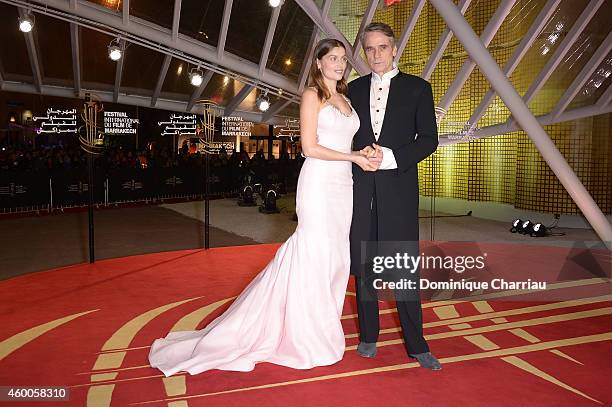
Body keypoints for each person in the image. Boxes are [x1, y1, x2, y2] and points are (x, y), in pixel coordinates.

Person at [148, 38, 375, 377]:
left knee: (337, 258)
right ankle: (306, 337)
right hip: (318, 184)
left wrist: (363, 151)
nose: (340, 64)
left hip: (344, 186)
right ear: (318, 63)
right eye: (332, 58)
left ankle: (324, 330)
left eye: (343, 58)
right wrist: (353, 157)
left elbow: (345, 139)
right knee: (314, 253)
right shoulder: (313, 95)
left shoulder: (346, 98)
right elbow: (310, 147)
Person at [348, 22, 441, 370]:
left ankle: (417, 345)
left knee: (403, 271)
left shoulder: (418, 88)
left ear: (394, 48)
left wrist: (389, 157)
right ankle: (368, 336)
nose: (376, 55)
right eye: (370, 49)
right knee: (365, 267)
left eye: (382, 47)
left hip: (399, 191)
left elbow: (428, 139)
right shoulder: (353, 89)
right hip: (360, 191)